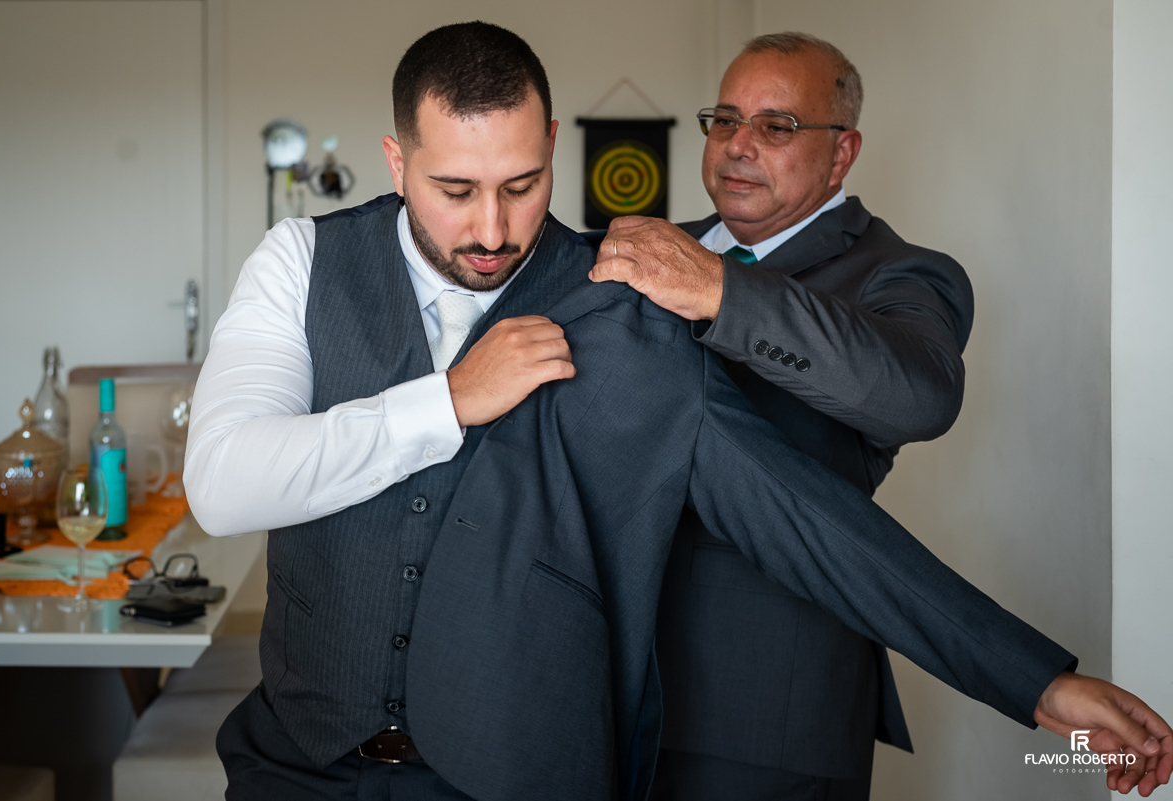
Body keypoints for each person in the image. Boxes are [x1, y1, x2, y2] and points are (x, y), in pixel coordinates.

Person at [185, 22, 1172, 801]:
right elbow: (224, 483)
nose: (490, 229)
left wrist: (1034, 682)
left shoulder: (622, 300)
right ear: (397, 164)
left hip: (517, 774)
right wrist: (449, 400)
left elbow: (802, 512)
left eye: (522, 187)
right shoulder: (300, 263)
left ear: (554, 153)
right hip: (296, 766)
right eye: (454, 190)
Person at [586, 32, 966, 800]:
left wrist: (723, 291)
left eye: (776, 126)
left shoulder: (899, 271)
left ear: (843, 151)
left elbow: (920, 393)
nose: (738, 145)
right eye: (724, 120)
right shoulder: (651, 249)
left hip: (767, 712)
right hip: (601, 683)